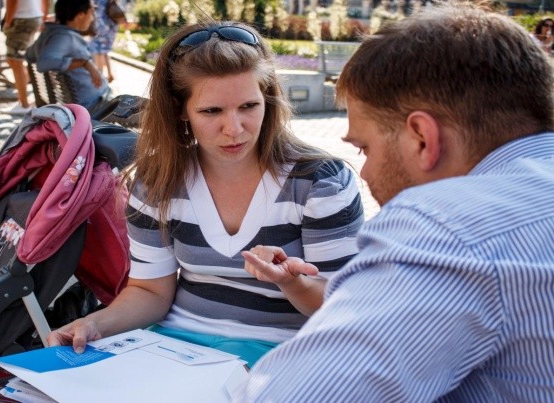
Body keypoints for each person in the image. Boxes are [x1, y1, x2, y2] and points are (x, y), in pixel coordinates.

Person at [237, 3, 554, 402]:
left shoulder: (447, 225)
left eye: (365, 147)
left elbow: (292, 395)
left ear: (422, 138)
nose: (363, 173)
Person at [47, 21, 364, 367]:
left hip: (281, 356)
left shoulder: (320, 182)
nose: (234, 129)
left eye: (248, 106)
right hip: (173, 350)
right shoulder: (157, 182)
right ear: (180, 109)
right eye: (212, 111)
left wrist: (293, 283)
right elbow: (150, 291)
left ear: (267, 98)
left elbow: (341, 309)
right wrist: (94, 324)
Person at [26, 0, 110, 111]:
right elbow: (44, 63)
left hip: (82, 101)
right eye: (91, 13)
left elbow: (29, 55)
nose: (93, 18)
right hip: (92, 106)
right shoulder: (64, 37)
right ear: (80, 15)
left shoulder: (50, 32)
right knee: (135, 108)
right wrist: (84, 63)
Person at [1, 0, 47, 116]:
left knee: (15, 61)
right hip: (32, 16)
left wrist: (7, 22)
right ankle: (23, 99)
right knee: (15, 61)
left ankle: (24, 103)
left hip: (22, 19)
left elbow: (13, 1)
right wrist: (44, 16)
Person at [88, 0, 121, 83]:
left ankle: (100, 76)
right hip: (111, 25)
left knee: (98, 51)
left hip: (100, 25)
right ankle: (109, 74)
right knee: (104, 52)